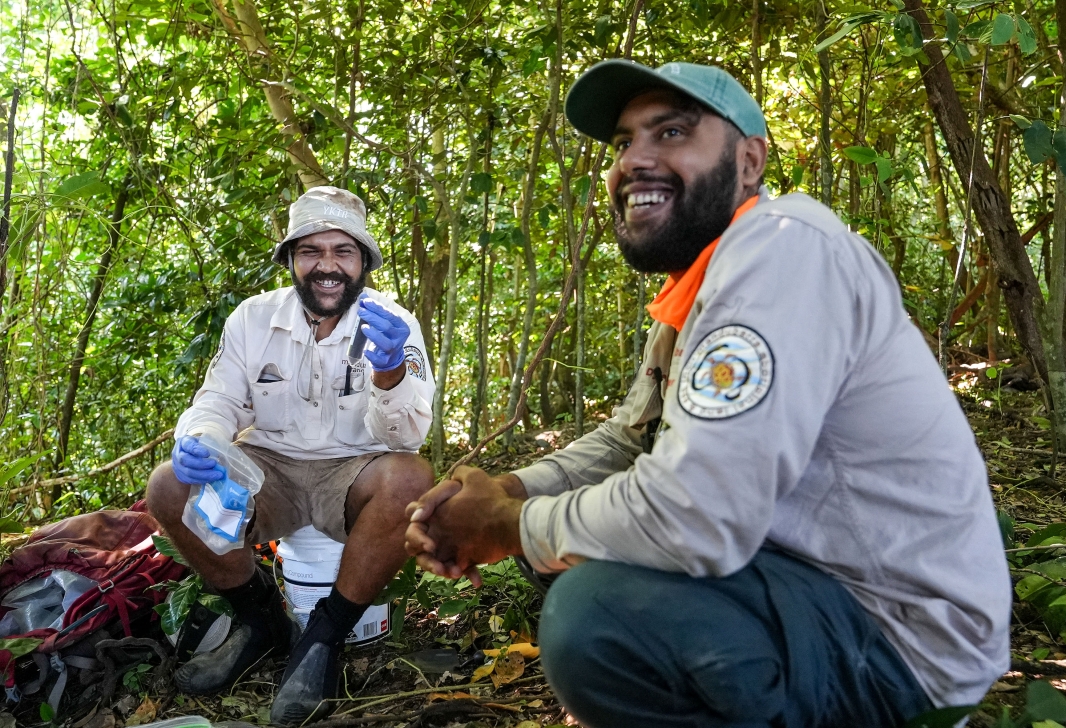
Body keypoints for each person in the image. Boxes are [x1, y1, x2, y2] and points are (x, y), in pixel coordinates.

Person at [403, 61, 1011, 727]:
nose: (634, 160)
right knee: (568, 539)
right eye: (623, 143)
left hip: (898, 641)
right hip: (804, 586)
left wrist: (505, 526)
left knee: (595, 610)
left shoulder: (783, 248)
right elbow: (626, 441)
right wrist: (511, 491)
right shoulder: (699, 288)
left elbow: (697, 515)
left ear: (749, 162)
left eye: (670, 133)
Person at [146, 186, 435, 725]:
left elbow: (407, 438)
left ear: (363, 261)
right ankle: (259, 622)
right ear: (291, 261)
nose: (327, 266)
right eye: (311, 252)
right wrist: (199, 438)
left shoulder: (394, 323)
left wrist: (391, 372)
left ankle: (325, 635)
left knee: (412, 479)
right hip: (268, 468)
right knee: (167, 486)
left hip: (354, 472)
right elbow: (220, 398)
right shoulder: (252, 318)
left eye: (343, 252)